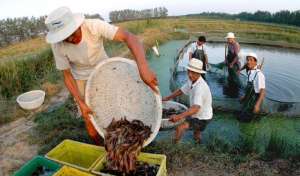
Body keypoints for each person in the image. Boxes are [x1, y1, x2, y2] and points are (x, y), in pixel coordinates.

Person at [45, 7, 158, 145]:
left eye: (73, 34)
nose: (70, 39)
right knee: (89, 118)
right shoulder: (57, 45)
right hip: (81, 78)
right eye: (65, 38)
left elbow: (129, 37)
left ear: (78, 25)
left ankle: (122, 141)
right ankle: (102, 147)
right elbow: (67, 75)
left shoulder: (93, 26)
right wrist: (80, 102)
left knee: (115, 104)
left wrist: (143, 68)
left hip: (106, 71)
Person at [162, 58, 213, 143]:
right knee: (196, 133)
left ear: (199, 73)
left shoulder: (200, 87)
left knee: (180, 127)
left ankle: (174, 145)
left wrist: (178, 116)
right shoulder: (192, 80)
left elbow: (195, 108)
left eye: (193, 72)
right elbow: (181, 90)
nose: (189, 74)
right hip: (198, 113)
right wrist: (167, 98)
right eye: (188, 71)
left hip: (203, 117)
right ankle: (198, 143)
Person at [238, 53, 266, 122]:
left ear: (255, 62)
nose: (248, 62)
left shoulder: (259, 74)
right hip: (248, 99)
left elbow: (263, 91)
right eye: (247, 60)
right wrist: (244, 97)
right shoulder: (250, 72)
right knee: (243, 118)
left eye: (251, 60)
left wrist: (257, 105)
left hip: (254, 100)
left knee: (251, 120)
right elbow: (249, 88)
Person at [224, 32, 241, 97]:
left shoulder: (236, 45)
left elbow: (237, 56)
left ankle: (235, 94)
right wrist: (226, 60)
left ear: (232, 38)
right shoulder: (229, 44)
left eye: (228, 39)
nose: (227, 40)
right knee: (230, 77)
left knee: (235, 79)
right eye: (227, 39)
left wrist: (232, 63)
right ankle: (230, 92)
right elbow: (228, 54)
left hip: (235, 65)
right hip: (230, 63)